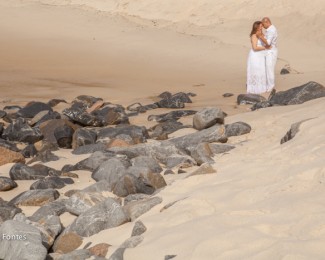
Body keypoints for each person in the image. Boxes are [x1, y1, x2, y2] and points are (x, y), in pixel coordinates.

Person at [246, 21, 271, 94]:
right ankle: (255, 88)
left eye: (261, 26)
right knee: (256, 71)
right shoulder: (254, 35)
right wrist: (265, 48)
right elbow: (254, 47)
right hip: (255, 56)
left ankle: (262, 87)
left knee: (262, 71)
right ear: (255, 27)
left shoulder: (262, 34)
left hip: (261, 56)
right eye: (259, 26)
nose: (261, 28)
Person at [257, 17, 278, 93]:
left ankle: (271, 86)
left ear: (267, 22)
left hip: (271, 52)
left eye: (263, 24)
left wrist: (260, 36)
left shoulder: (271, 30)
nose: (262, 26)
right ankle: (268, 85)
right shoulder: (269, 30)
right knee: (267, 69)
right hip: (269, 50)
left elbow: (268, 42)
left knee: (270, 69)